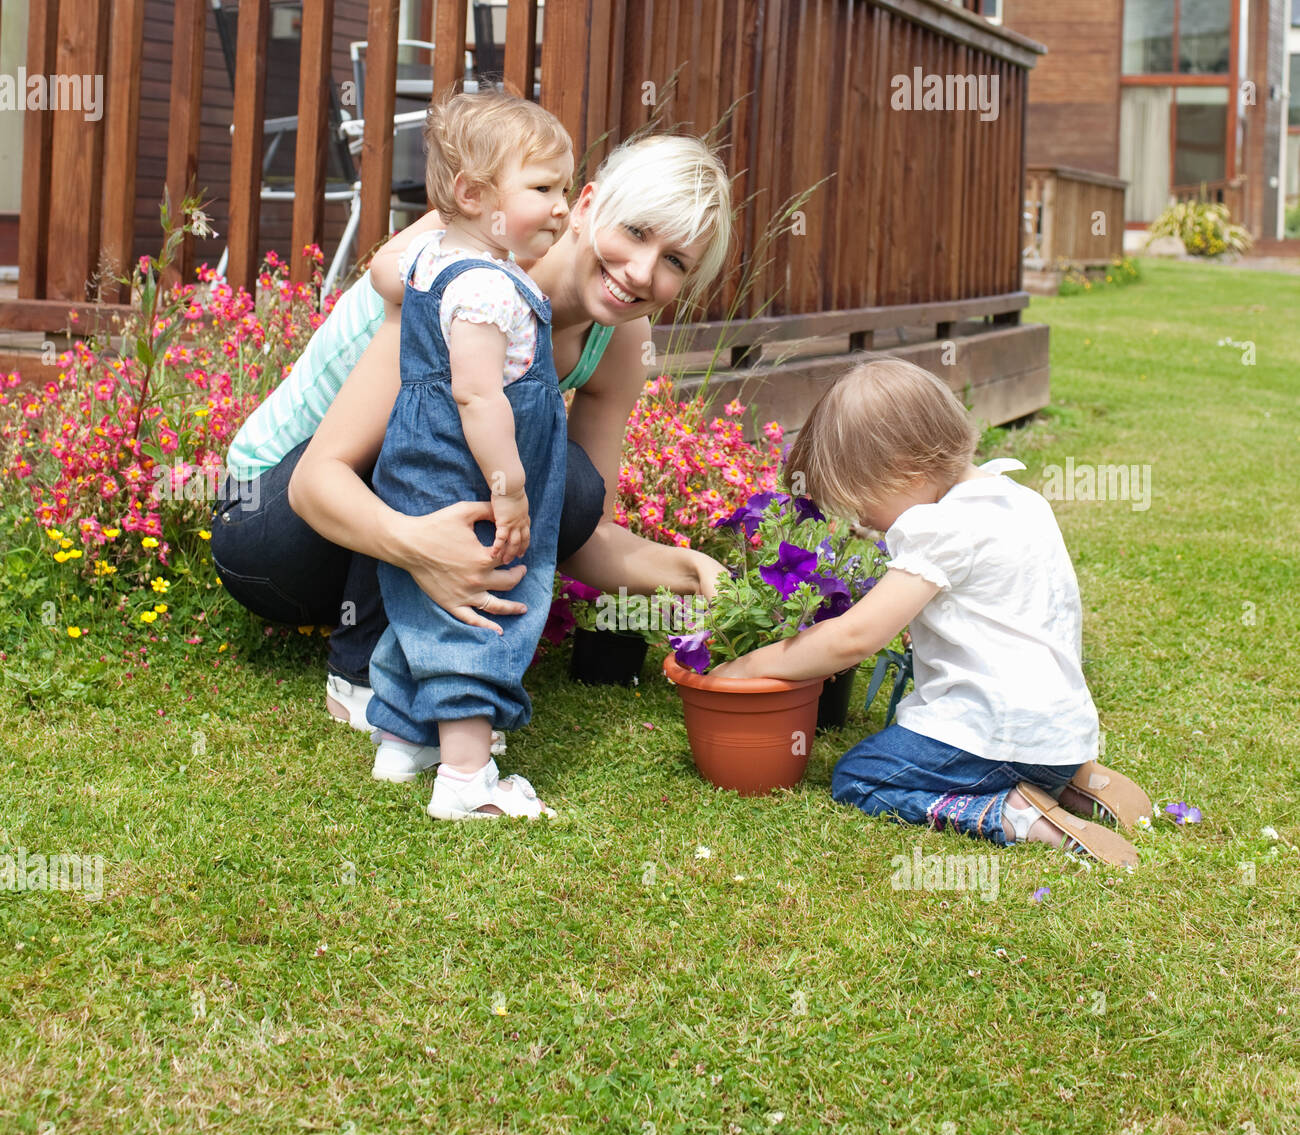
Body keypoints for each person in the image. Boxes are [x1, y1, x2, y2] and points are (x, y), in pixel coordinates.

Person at [212, 131, 735, 735]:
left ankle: (415, 644)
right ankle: (357, 675)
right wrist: (422, 550)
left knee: (572, 483)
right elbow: (313, 483)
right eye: (636, 232)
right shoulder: (473, 265)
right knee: (465, 431)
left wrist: (690, 570)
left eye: (675, 262)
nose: (641, 271)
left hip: (363, 529)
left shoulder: (617, 343)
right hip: (273, 526)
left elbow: (576, 526)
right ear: (586, 205)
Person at [711, 358, 1152, 868]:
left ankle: (1011, 813)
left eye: (863, 505)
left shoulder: (942, 529)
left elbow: (853, 638)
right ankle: (1071, 779)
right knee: (1013, 742)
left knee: (860, 775)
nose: (863, 524)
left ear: (908, 472)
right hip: (1060, 733)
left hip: (992, 738)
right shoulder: (1020, 501)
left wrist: (749, 666)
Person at [364, 91, 572, 819]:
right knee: (484, 609)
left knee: (425, 602)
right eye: (543, 189)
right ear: (475, 195)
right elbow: (480, 397)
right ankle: (465, 779)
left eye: (565, 190)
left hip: (417, 464)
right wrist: (509, 485)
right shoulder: (487, 287)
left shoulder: (433, 257)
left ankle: (403, 738)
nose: (562, 208)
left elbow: (384, 278)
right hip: (470, 471)